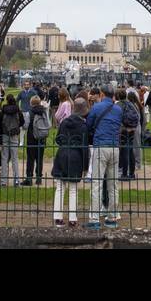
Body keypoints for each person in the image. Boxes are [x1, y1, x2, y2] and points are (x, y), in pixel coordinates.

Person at [84, 87, 122, 229]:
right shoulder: (118, 109)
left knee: (97, 184)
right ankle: (112, 217)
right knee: (113, 185)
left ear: (102, 94)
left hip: (100, 145)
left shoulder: (97, 107)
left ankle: (94, 219)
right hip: (114, 147)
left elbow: (89, 124)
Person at [52, 97, 89, 226]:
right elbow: (85, 148)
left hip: (62, 153)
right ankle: (72, 219)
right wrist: (85, 167)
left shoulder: (64, 122)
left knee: (60, 187)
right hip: (75, 156)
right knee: (73, 189)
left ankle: (58, 217)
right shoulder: (83, 125)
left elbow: (58, 139)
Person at [24, 94, 51, 185]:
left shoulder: (29, 113)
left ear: (31, 103)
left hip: (31, 138)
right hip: (41, 137)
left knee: (30, 159)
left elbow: (25, 126)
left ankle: (29, 178)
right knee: (39, 159)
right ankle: (39, 178)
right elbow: (48, 123)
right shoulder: (44, 111)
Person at [0, 93, 24, 186]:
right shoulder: (17, 109)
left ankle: (3, 181)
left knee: (4, 158)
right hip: (14, 134)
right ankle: (16, 180)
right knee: (14, 158)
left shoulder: (4, 109)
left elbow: (0, 121)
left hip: (5, 134)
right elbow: (22, 121)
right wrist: (17, 127)